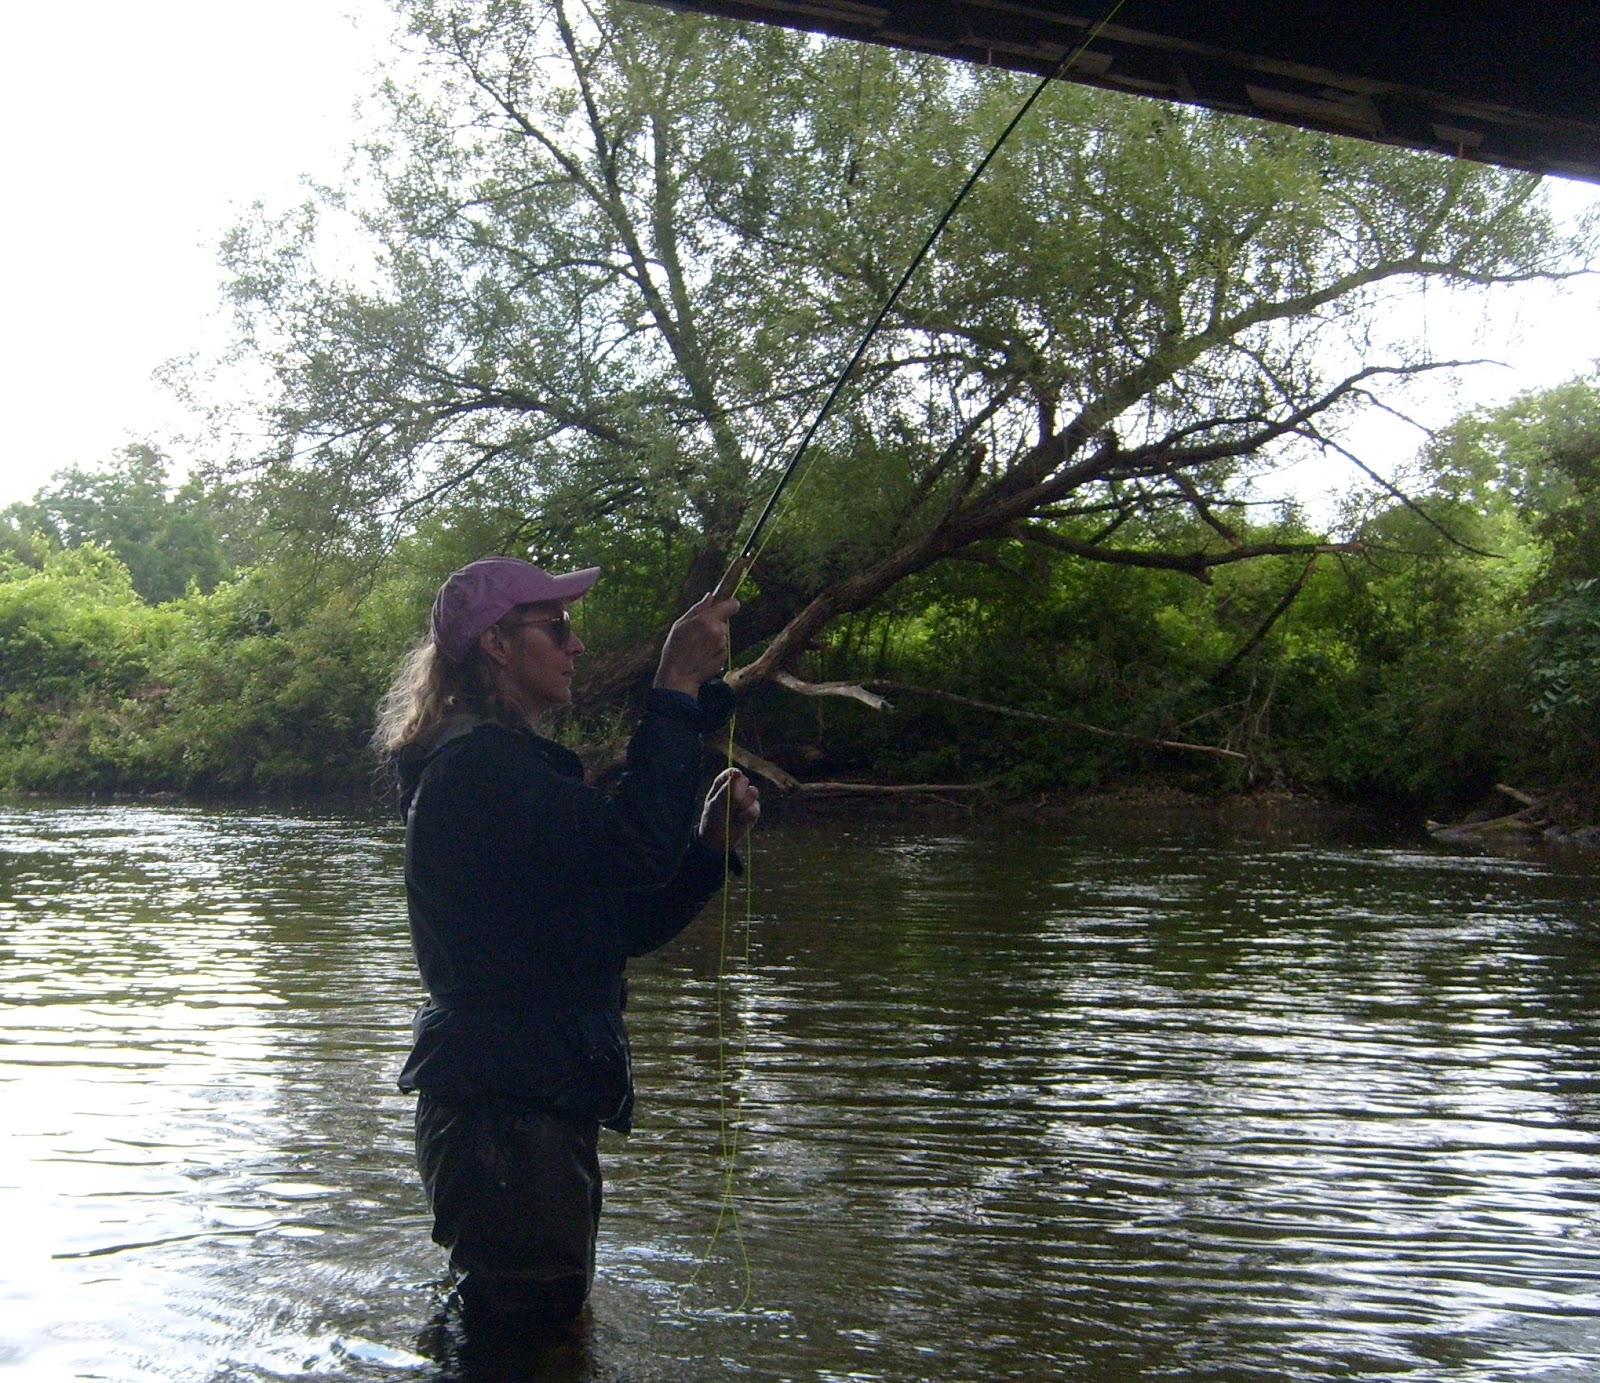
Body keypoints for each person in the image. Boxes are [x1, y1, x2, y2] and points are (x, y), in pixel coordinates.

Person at [372, 555, 759, 1340]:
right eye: (558, 627)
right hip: (506, 1121)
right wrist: (676, 686)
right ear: (497, 646)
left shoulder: (501, 770)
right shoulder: (482, 770)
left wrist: (709, 849)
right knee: (524, 1337)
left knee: (527, 1331)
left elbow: (618, 924)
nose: (575, 646)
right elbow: (634, 849)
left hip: (522, 1107)